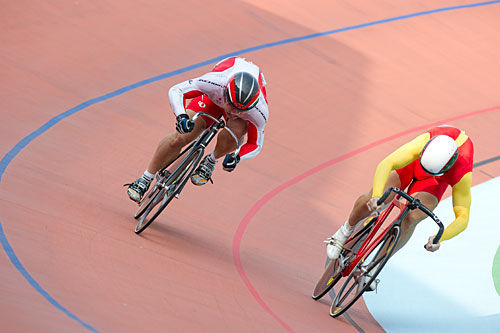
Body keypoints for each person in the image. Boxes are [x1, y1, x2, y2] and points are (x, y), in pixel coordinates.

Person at [326, 125, 474, 265]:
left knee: (412, 217)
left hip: (435, 181)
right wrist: (377, 195)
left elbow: (463, 217)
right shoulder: (423, 142)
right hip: (414, 163)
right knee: (373, 198)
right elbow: (387, 163)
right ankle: (345, 231)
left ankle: (375, 265)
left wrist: (440, 237)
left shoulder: (462, 173)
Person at [126, 56, 269, 202]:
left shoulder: (260, 110)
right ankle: (145, 178)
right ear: (225, 92)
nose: (233, 113)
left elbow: (255, 144)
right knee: (180, 137)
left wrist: (237, 157)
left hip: (236, 111)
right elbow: (177, 90)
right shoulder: (215, 82)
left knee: (236, 131)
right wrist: (181, 117)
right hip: (213, 99)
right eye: (231, 107)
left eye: (240, 110)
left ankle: (211, 160)